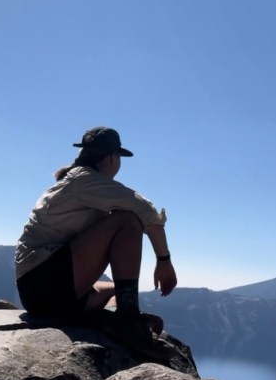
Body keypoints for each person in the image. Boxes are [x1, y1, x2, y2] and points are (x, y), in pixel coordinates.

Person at [15, 127, 177, 337]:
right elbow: (146, 210)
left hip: (41, 291)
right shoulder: (84, 181)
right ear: (112, 157)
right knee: (127, 220)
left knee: (120, 292)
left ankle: (111, 319)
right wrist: (164, 261)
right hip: (44, 288)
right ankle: (128, 321)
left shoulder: (78, 181)